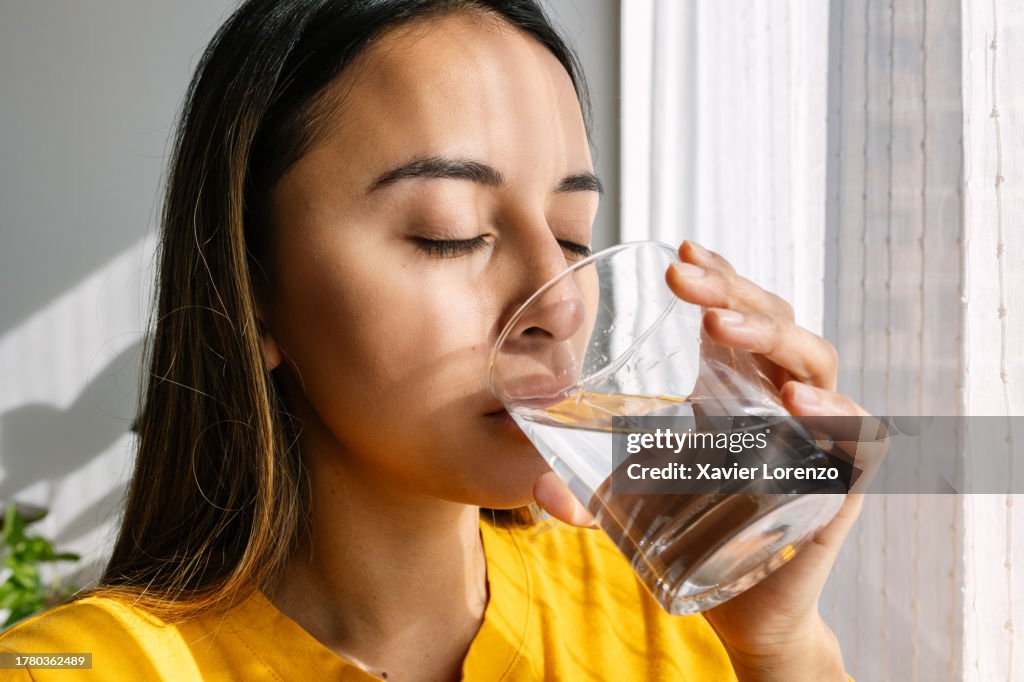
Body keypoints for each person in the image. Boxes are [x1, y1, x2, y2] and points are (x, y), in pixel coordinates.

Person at [0, 1, 866, 679]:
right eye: (448, 233)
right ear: (253, 291)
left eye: (573, 233)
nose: (555, 303)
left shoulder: (663, 613)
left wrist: (781, 652)